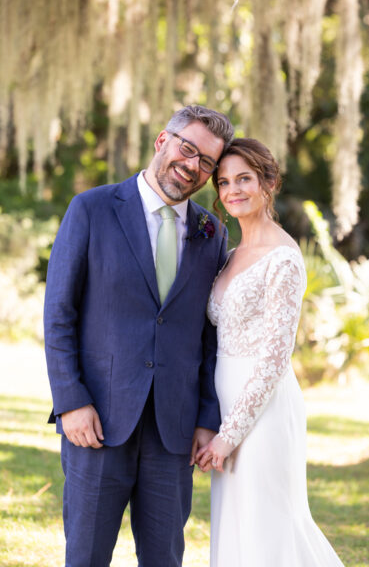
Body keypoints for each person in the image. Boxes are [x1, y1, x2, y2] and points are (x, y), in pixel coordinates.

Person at [44, 105, 234, 567]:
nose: (193, 166)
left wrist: (208, 417)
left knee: (165, 558)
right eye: (188, 149)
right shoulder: (91, 209)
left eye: (207, 162)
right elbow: (59, 315)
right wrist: (71, 401)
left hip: (175, 429)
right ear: (161, 142)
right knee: (86, 556)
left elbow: (212, 337)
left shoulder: (213, 234)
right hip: (98, 422)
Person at [196, 138, 345, 566]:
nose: (233, 190)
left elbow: (275, 359)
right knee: (236, 526)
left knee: (270, 528)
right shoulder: (227, 254)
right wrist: (213, 423)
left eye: (244, 178)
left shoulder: (283, 258)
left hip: (263, 411)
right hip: (224, 405)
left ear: (269, 182)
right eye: (223, 182)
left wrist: (228, 437)